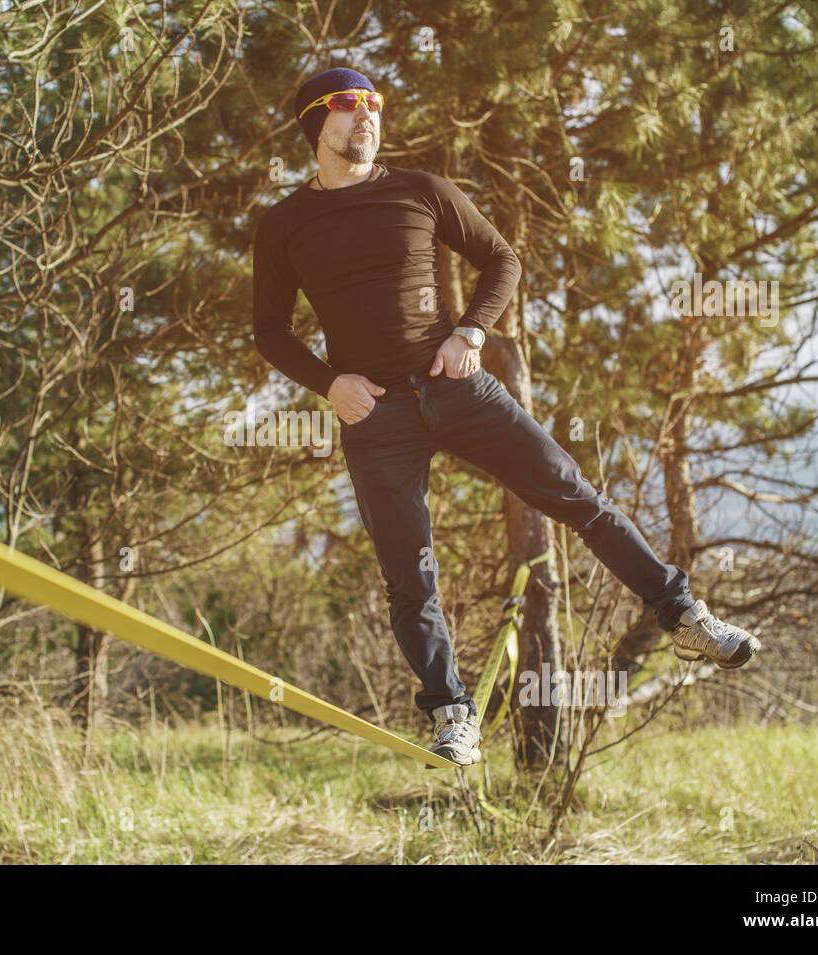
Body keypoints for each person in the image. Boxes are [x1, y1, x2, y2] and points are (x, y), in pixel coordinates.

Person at [251, 67, 761, 766]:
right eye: (349, 105)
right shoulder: (284, 225)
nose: (367, 115)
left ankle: (684, 615)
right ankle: (453, 711)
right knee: (410, 575)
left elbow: (501, 259)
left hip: (456, 387)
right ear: (316, 121)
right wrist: (329, 381)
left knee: (576, 495)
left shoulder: (421, 190)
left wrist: (471, 334)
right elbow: (270, 331)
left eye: (375, 104)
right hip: (374, 414)